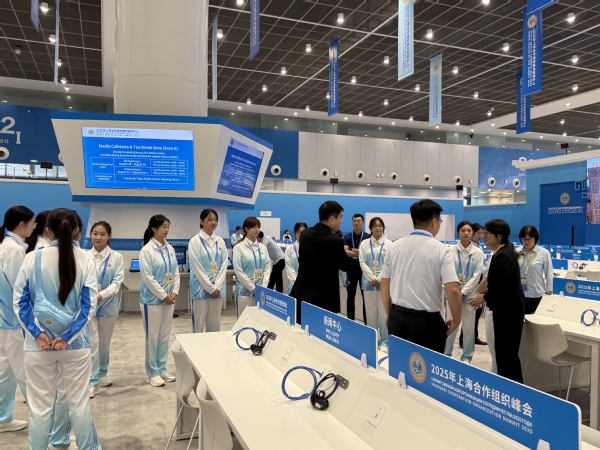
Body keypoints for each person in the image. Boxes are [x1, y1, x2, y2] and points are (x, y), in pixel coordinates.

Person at [13, 208, 101, 449]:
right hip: (76, 345)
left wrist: (38, 334)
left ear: (47, 230)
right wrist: (68, 337)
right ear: (77, 230)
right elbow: (88, 305)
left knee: (39, 409)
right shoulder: (86, 259)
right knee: (79, 404)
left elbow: (19, 302)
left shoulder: (32, 258)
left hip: (38, 347)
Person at [381, 199, 462, 353]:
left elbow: (385, 284)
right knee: (428, 365)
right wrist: (457, 320)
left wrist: (388, 313)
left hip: (398, 318)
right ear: (434, 221)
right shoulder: (442, 250)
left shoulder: (394, 247)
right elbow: (453, 290)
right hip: (428, 323)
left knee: (400, 363)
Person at [469, 220, 525, 383]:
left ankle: (512, 389)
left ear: (499, 236)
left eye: (487, 234)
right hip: (506, 309)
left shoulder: (503, 256)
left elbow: (504, 288)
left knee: (507, 354)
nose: (484, 237)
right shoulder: (501, 253)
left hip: (508, 311)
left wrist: (484, 297)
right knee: (503, 352)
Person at [0, 206, 34, 433]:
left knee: (6, 371)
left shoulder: (7, 246)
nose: (34, 227)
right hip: (13, 322)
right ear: (22, 224)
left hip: (5, 320)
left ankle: (3, 417)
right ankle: (52, 431)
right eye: (32, 223)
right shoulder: (14, 251)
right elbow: (19, 291)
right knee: (27, 374)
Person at [290, 201, 350, 324]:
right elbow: (345, 265)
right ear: (332, 219)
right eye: (340, 217)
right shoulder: (335, 240)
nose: (341, 221)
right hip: (324, 300)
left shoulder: (305, 235)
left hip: (302, 294)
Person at [139, 215, 179, 387]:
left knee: (164, 336)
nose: (167, 229)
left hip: (169, 299)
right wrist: (163, 296)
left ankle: (162, 368)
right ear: (154, 228)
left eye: (168, 226)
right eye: (164, 226)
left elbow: (176, 272)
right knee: (153, 337)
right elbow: (148, 277)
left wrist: (175, 292)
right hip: (152, 301)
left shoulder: (170, 248)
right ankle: (152, 372)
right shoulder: (147, 250)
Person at [88, 221, 124, 389]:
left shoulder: (116, 257)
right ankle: (92, 380)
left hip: (108, 306)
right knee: (92, 343)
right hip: (89, 306)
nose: (98, 237)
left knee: (104, 344)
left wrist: (101, 295)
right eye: (95, 233)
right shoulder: (84, 256)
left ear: (109, 236)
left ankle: (102, 374)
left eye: (102, 234)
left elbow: (117, 282)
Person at [444, 221, 484, 363]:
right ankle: (446, 354)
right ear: (458, 232)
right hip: (453, 293)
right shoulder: (450, 251)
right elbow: (447, 271)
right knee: (450, 324)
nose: (466, 233)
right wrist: (456, 291)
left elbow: (477, 275)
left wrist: (464, 291)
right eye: (463, 230)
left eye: (469, 230)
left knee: (468, 327)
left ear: (472, 233)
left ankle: (466, 357)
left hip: (470, 296)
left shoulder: (478, 253)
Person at [188, 209, 228, 333]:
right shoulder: (195, 241)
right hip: (200, 290)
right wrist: (210, 288)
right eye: (210, 220)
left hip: (218, 290)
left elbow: (224, 264)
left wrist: (217, 286)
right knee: (198, 327)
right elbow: (196, 267)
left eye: (216, 220)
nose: (213, 222)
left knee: (214, 326)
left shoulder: (220, 241)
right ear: (201, 221)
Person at [358, 217, 391, 346]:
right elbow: (361, 261)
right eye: (375, 226)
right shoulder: (364, 244)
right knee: (370, 314)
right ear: (370, 228)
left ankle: (384, 341)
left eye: (380, 226)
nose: (378, 228)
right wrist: (372, 278)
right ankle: (371, 340)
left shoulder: (389, 244)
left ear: (383, 228)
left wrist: (380, 279)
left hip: (384, 284)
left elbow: (390, 263)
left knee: (384, 314)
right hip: (368, 283)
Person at [232, 217, 272, 317]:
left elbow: (267, 267)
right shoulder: (239, 248)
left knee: (259, 321)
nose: (257, 229)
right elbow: (238, 270)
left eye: (258, 227)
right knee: (244, 321)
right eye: (253, 227)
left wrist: (263, 286)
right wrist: (252, 288)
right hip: (244, 293)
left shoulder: (263, 248)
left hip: (261, 292)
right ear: (246, 229)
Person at [516, 225, 553, 314]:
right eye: (524, 239)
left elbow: (549, 273)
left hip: (537, 293)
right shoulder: (517, 252)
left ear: (535, 239)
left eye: (529, 239)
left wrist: (549, 290)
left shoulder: (544, 253)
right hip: (520, 294)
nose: (526, 242)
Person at [343, 214, 370, 321]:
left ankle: (367, 322)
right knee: (350, 296)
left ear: (363, 222)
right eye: (354, 221)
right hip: (351, 269)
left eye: (358, 221)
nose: (356, 223)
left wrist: (353, 250)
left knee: (365, 297)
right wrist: (360, 253)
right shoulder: (347, 237)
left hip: (364, 270)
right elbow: (345, 251)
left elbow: (368, 252)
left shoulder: (368, 237)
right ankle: (350, 321)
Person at [284, 222, 307, 295]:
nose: (301, 234)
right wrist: (297, 285)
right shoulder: (289, 249)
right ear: (295, 233)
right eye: (299, 232)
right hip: (293, 286)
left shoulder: (310, 248)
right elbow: (289, 269)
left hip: (307, 288)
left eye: (303, 232)